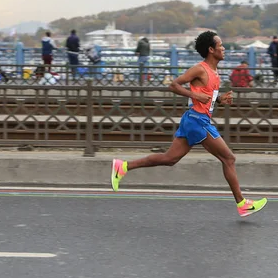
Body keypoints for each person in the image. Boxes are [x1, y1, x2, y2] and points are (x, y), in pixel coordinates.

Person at [110, 31, 267, 217]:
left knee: (170, 159)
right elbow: (174, 85)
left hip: (193, 118)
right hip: (197, 121)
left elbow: (207, 97)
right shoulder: (200, 69)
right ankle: (242, 203)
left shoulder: (215, 72)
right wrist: (195, 95)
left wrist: (220, 100)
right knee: (229, 159)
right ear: (211, 50)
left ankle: (123, 166)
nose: (224, 48)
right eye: (221, 45)